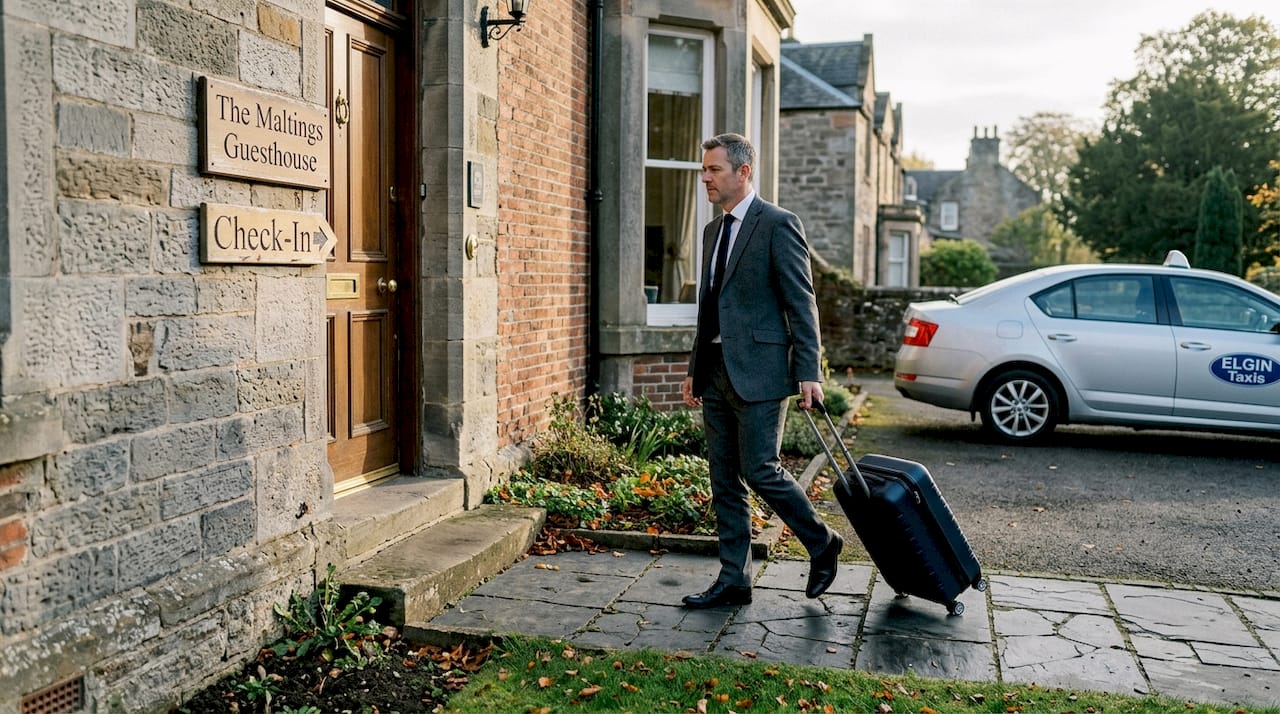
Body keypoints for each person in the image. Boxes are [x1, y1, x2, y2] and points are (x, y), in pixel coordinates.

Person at [680, 133, 842, 609]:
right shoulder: (712, 231)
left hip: (762, 373)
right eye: (704, 169)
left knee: (761, 470)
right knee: (724, 479)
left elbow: (801, 301)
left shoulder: (777, 224)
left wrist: (809, 371)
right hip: (715, 372)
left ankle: (822, 541)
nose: (705, 178)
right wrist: (694, 367)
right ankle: (735, 579)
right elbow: (709, 307)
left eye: (714, 170)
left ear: (743, 172)